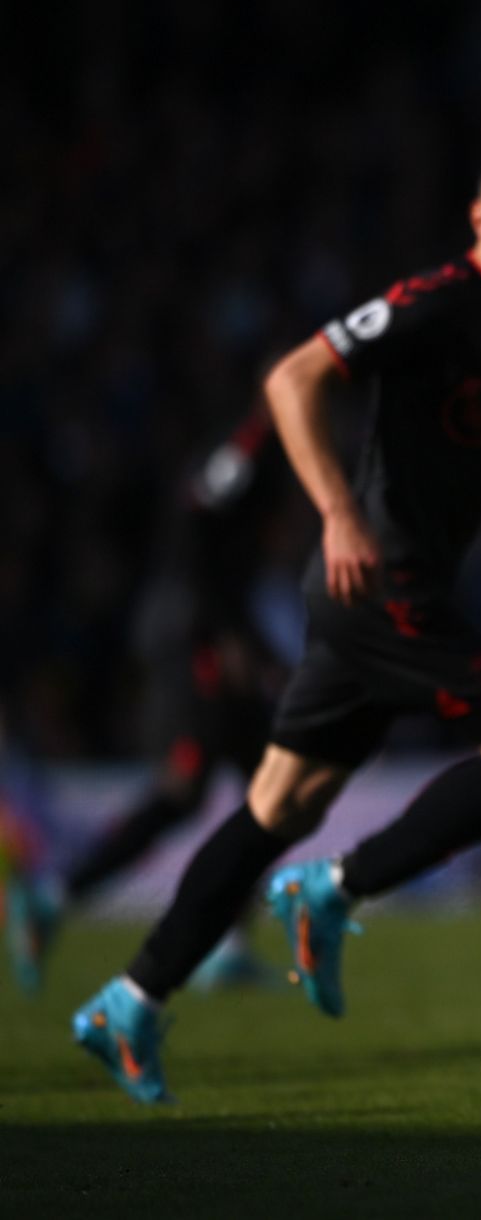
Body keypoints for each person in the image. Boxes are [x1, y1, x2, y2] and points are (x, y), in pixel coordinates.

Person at [72, 136, 481, 1104]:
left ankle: (130, 997)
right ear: (480, 217)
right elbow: (290, 380)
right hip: (380, 582)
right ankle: (335, 887)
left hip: (404, 593)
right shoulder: (435, 300)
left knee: (279, 805)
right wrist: (340, 512)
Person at [7, 404, 288, 996]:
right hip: (193, 647)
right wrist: (224, 634)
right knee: (208, 791)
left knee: (269, 791)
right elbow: (192, 526)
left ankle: (218, 941)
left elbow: (221, 561)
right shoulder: (249, 444)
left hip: (207, 636)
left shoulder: (274, 453)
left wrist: (256, 647)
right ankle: (57, 897)